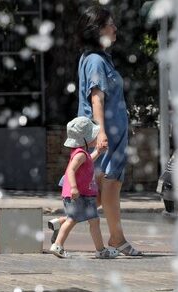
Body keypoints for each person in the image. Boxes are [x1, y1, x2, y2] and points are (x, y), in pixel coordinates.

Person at [72, 5, 142, 256]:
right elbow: (96, 99)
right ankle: (117, 239)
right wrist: (102, 132)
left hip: (111, 135)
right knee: (110, 185)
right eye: (110, 24)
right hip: (106, 137)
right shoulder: (95, 61)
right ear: (97, 30)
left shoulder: (98, 58)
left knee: (101, 190)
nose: (115, 28)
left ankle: (64, 223)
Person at [49, 116, 119, 260]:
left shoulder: (82, 153)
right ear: (84, 139)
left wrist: (98, 152)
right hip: (78, 194)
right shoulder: (80, 154)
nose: (95, 139)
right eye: (92, 136)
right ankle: (58, 245)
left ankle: (100, 250)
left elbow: (88, 162)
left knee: (93, 220)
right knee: (73, 219)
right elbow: (70, 170)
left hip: (85, 194)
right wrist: (74, 188)